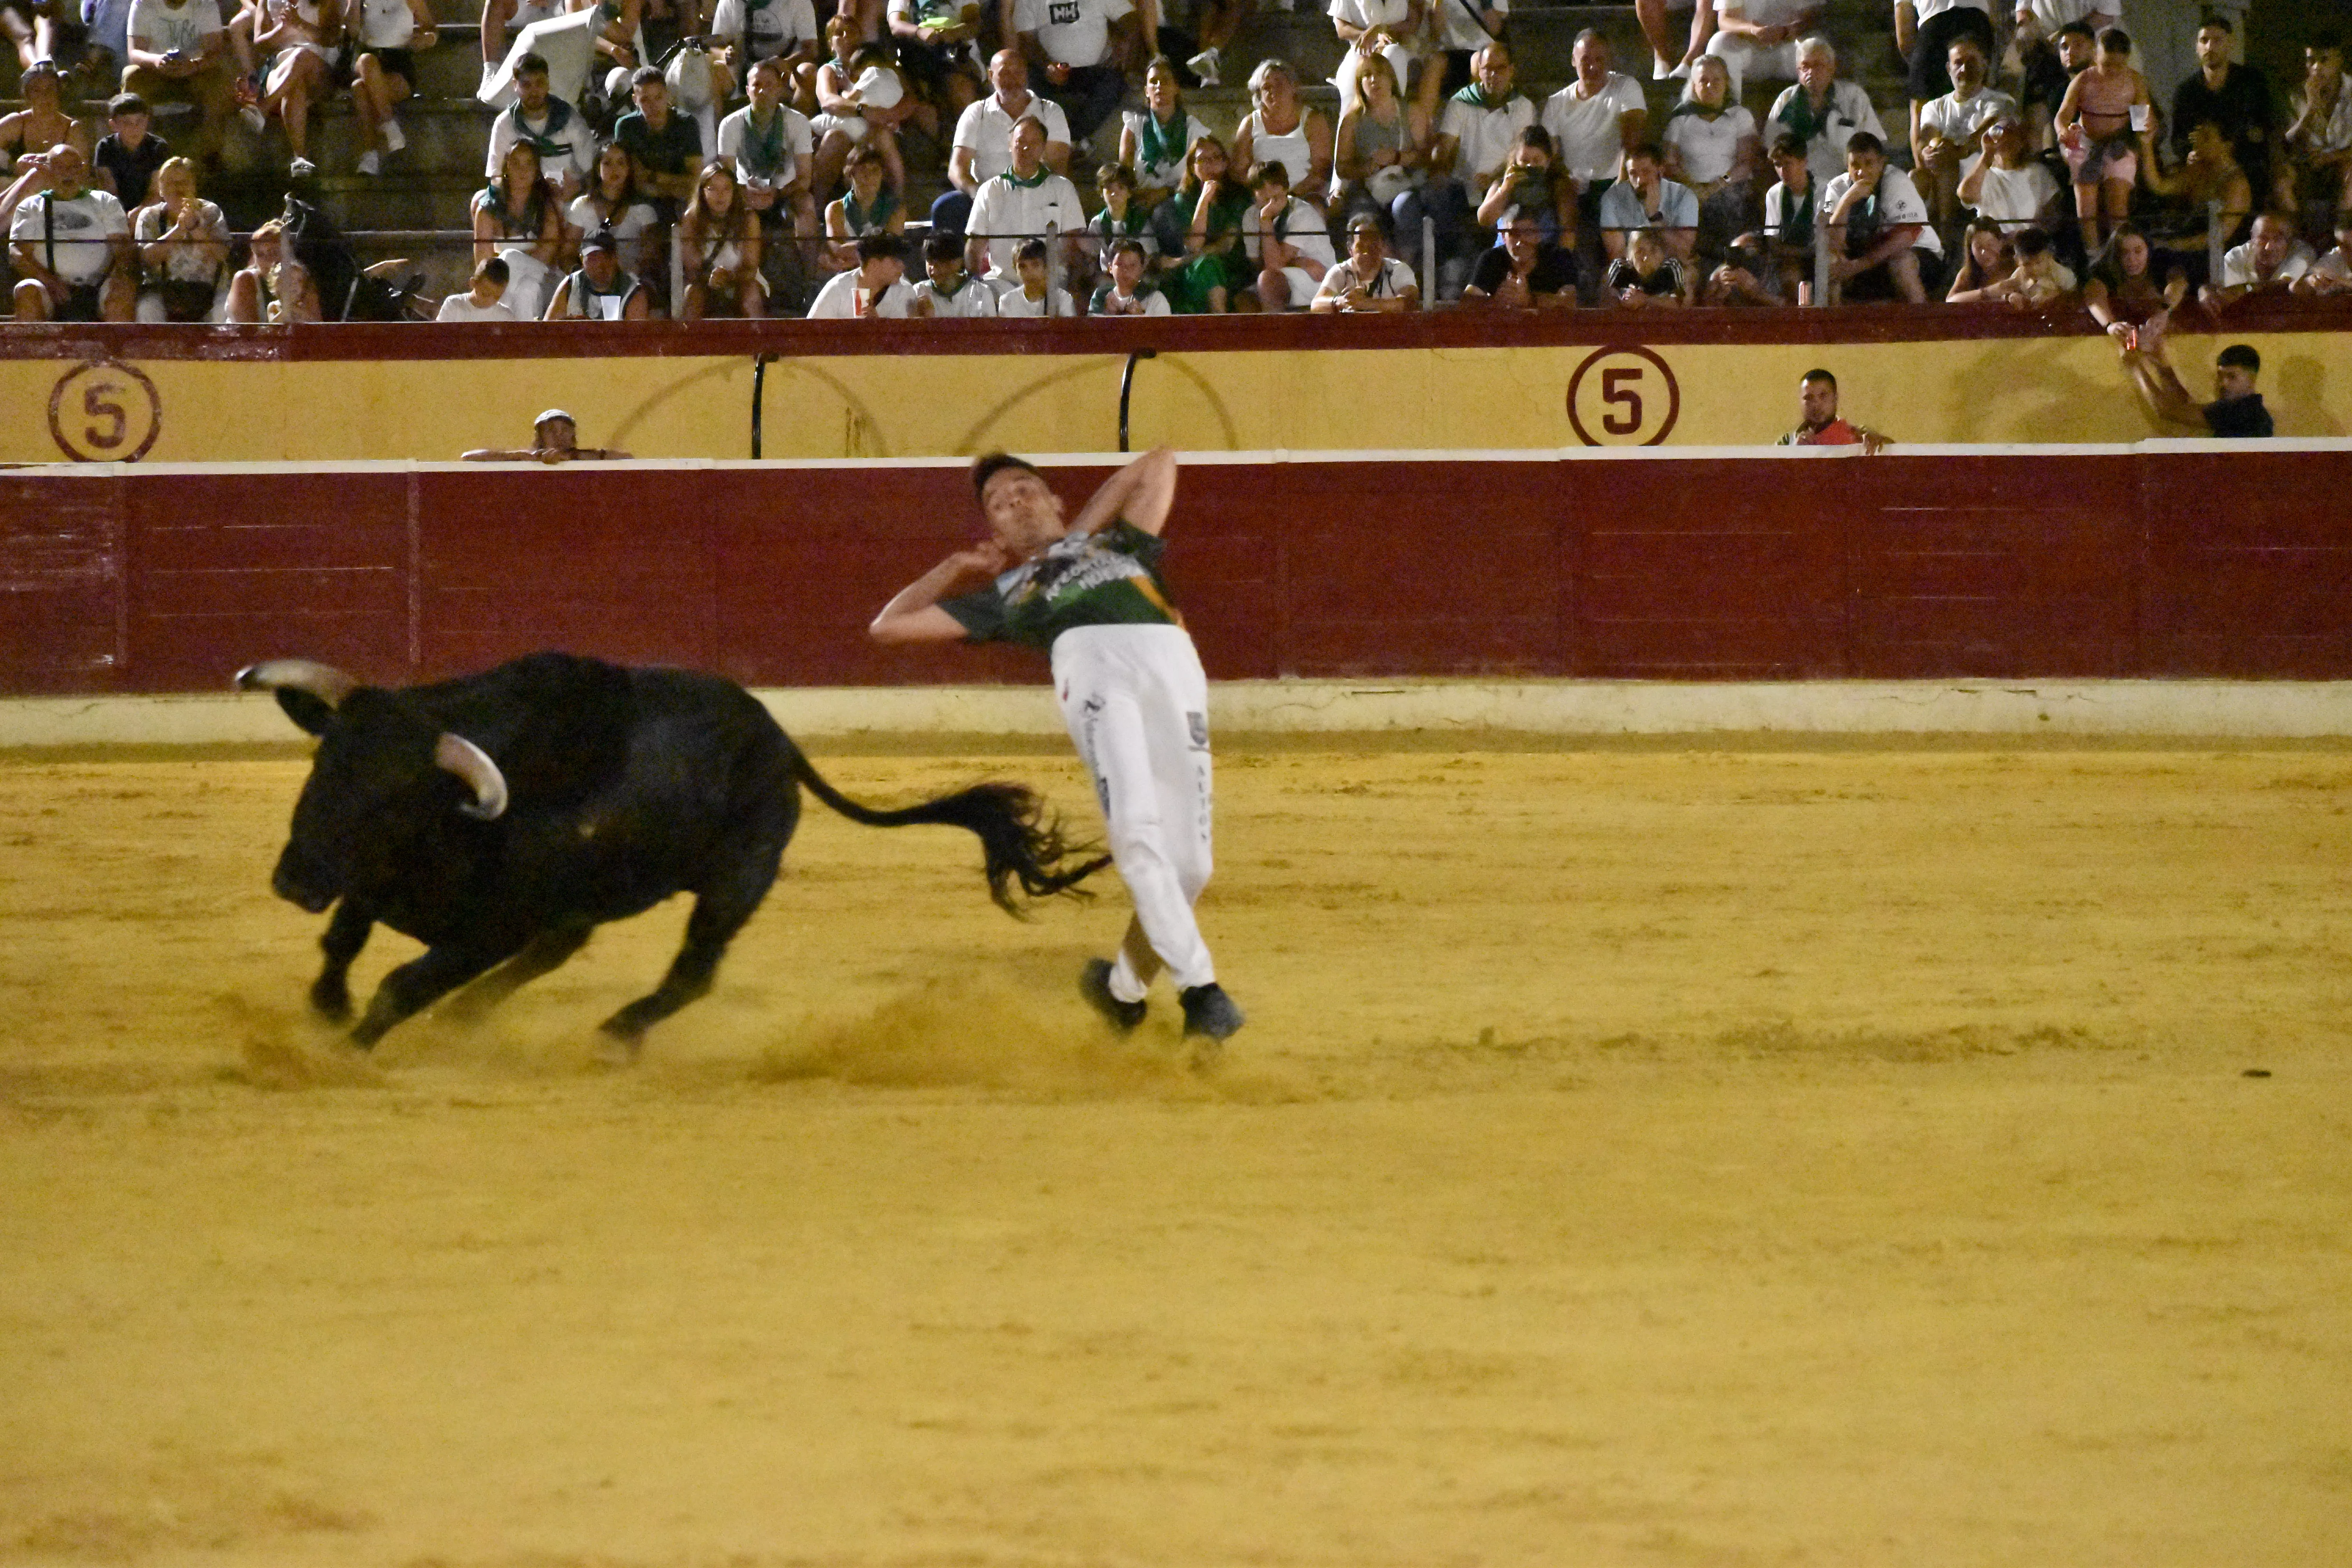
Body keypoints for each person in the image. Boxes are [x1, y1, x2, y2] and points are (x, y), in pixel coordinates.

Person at [867, 446, 1246, 1056]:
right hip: (1092, 669)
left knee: (1192, 867)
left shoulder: (1122, 545)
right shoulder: (1006, 593)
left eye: (1024, 490)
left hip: (1174, 667)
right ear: (995, 532)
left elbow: (1158, 463)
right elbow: (887, 626)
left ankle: (1122, 991)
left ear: (1056, 501)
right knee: (1137, 830)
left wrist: (1075, 537)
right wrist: (958, 565)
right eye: (999, 504)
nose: (1014, 502)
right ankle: (1202, 992)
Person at [1401, 42, 1526, 285]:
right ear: (1479, 71)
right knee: (1422, 199)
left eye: (1500, 69)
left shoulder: (1523, 107)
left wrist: (1495, 177)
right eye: (1487, 68)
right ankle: (1418, 277)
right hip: (1462, 189)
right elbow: (1446, 146)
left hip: (1502, 189)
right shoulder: (1461, 102)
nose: (1493, 75)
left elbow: (1521, 156)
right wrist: (1438, 165)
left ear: (1511, 70)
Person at [941, 47, 1071, 236]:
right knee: (946, 208)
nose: (1012, 80)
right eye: (1004, 74)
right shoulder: (976, 113)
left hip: (1037, 199)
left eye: (1018, 73)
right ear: (990, 75)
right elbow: (957, 169)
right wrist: (980, 196)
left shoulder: (1050, 112)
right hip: (987, 200)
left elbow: (1058, 167)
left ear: (1026, 75)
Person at [8, 142, 134, 320]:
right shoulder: (30, 207)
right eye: (59, 167)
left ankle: (119, 348)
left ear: (83, 170)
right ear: (47, 170)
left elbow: (123, 249)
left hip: (99, 286)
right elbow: (18, 253)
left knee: (123, 289)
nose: (67, 173)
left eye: (73, 167)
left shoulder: (105, 202)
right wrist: (50, 282)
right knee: (27, 291)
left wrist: (118, 276)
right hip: (49, 287)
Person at [2053, 25, 2149, 255]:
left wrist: (2143, 134)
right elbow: (2063, 116)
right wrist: (2062, 132)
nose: (2113, 72)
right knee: (2086, 201)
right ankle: (2093, 253)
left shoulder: (2135, 81)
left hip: (2119, 141)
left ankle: (2120, 253)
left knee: (2118, 200)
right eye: (2107, 65)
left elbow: (2142, 122)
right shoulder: (2083, 80)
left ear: (2127, 61)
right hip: (2087, 140)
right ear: (2096, 56)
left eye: (2119, 66)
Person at [964, 112, 1085, 286]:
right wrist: (973, 286)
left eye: (1034, 143)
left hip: (1050, 284)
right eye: (1020, 142)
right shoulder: (990, 190)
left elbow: (1072, 248)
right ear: (1010, 145)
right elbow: (975, 247)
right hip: (1002, 283)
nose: (1026, 148)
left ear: (1043, 148)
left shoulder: (1063, 189)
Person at [1821, 129, 1941, 302]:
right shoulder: (1837, 187)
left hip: (1919, 253)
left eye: (1869, 164)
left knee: (1901, 262)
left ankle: (1923, 323)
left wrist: (1859, 266)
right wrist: (1846, 201)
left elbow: (1908, 236)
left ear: (1882, 163)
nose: (1862, 172)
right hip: (1868, 256)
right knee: (1833, 263)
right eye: (1855, 165)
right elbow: (1834, 243)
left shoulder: (1895, 181)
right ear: (1847, 166)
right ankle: (1834, 326)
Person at [2169, 13, 2275, 204]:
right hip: (2203, 166)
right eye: (2204, 40)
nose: (2210, 47)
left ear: (2230, 43)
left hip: (2246, 164)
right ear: (2197, 46)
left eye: (2217, 40)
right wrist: (2189, 153)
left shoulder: (2252, 83)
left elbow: (2267, 128)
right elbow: (2178, 138)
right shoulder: (2187, 92)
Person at [1912, 35, 2014, 230]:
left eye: (1972, 62)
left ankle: (1945, 233)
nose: (1965, 70)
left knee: (1945, 159)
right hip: (1945, 177)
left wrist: (1955, 151)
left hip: (1984, 177)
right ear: (1948, 68)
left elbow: (1986, 133)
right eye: (1958, 63)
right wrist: (1927, 151)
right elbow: (1926, 139)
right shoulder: (1935, 107)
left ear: (1985, 64)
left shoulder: (2002, 101)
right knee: (1918, 176)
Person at [1662, 54, 1758, 260]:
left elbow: (1747, 162)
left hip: (1731, 189)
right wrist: (1696, 188)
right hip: (1691, 190)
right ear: (1694, 85)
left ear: (1726, 84)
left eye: (1717, 80)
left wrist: (1717, 186)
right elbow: (1670, 165)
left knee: (1729, 204)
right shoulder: (1681, 119)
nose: (1710, 86)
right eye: (1703, 81)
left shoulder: (1740, 116)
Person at [118, 0, 234, 163]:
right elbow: (135, 52)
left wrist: (194, 65)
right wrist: (157, 61)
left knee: (220, 81)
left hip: (194, 73)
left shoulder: (205, 4)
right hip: (155, 72)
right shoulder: (144, 4)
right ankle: (135, 149)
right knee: (131, 76)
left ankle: (211, 153)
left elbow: (215, 52)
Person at [1763, 35, 1884, 191]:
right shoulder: (1786, 100)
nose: (1811, 72)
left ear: (1832, 67)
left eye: (1818, 66)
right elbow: (1770, 150)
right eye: (1805, 67)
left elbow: (1875, 145)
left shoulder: (1854, 97)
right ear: (1798, 71)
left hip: (1846, 185)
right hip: (1801, 188)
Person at [1012, 0, 1135, 147]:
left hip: (1094, 70)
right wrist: (1047, 66)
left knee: (1116, 81)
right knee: (1030, 81)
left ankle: (1073, 139)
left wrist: (1124, 43)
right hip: (1050, 70)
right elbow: (1026, 40)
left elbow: (1131, 19)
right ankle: (1068, 142)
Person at [2119, 324, 2272, 438]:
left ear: (2252, 379)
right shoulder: (2249, 410)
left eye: (2232, 377)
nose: (2223, 383)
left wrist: (2136, 368)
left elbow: (2168, 411)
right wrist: (2162, 364)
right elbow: (2184, 407)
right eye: (2220, 376)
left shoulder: (2242, 411)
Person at [1330, 48, 1424, 227]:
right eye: (1367, 75)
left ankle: (1407, 254)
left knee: (1406, 206)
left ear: (1391, 79)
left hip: (1407, 184)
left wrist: (1395, 158)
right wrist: (1366, 168)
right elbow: (1342, 167)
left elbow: (1426, 156)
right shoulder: (1353, 119)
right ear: (1360, 83)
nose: (1374, 80)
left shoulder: (1411, 111)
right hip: (1367, 189)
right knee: (1363, 222)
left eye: (1380, 74)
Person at [486, 52, 597, 201]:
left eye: (540, 83)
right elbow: (496, 177)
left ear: (548, 83)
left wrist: (578, 187)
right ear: (515, 85)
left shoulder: (570, 119)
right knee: (479, 203)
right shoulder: (505, 124)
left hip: (568, 200)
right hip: (524, 201)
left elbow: (593, 172)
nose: (534, 91)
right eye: (526, 85)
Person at [1232, 56, 1335, 216]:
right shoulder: (1250, 124)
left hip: (1306, 194)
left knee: (1313, 211)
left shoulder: (1313, 121)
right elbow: (1240, 171)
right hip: (1263, 198)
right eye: (1267, 88)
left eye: (1280, 84)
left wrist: (1291, 196)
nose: (1273, 91)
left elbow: (1321, 170)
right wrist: (1266, 193)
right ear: (1259, 94)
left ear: (1293, 87)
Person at [473, 138, 563, 320]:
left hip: (544, 280)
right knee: (526, 291)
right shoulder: (487, 209)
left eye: (529, 164)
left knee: (509, 258)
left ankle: (495, 319)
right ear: (506, 167)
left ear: (537, 170)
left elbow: (547, 254)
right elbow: (484, 264)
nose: (523, 170)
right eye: (516, 163)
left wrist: (511, 260)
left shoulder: (546, 205)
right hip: (512, 288)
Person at [131, 152, 226, 319]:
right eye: (171, 183)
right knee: (147, 308)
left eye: (184, 182)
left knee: (223, 311)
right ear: (160, 189)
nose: (178, 188)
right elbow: (146, 258)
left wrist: (196, 228)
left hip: (209, 290)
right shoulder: (150, 216)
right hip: (164, 292)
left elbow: (222, 254)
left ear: (194, 187)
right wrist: (179, 230)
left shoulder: (211, 212)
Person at [345, 0, 434, 176]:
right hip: (367, 59)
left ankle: (370, 154)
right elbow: (352, 32)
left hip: (398, 63)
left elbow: (430, 28)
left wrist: (428, 38)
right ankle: (390, 126)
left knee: (359, 89)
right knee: (366, 62)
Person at [251, 0, 339, 178]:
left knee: (301, 56)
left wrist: (300, 24)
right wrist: (283, 29)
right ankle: (300, 158)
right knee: (295, 82)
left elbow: (332, 38)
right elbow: (260, 44)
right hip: (282, 68)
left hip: (318, 67)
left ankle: (263, 108)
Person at [613, 64, 704, 219]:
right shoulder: (626, 127)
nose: (653, 106)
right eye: (645, 100)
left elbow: (696, 180)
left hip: (681, 200)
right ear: (635, 100)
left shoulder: (687, 124)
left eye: (659, 97)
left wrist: (654, 177)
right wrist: (674, 185)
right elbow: (635, 180)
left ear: (667, 95)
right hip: (641, 202)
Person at [1242, 157, 1333, 311]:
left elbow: (1274, 265)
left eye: (1275, 192)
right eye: (1263, 195)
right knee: (1244, 299)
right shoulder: (1250, 215)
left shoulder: (1302, 213)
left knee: (1268, 281)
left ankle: (1276, 334)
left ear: (1285, 188)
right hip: (1292, 269)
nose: (1270, 200)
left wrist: (1265, 220)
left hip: (1317, 276)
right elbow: (1258, 261)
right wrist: (1297, 261)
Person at [1121, 54, 1210, 209]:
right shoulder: (1134, 124)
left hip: (1178, 202)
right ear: (1146, 91)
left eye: (1165, 81)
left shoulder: (1193, 130)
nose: (1159, 86)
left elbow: (1198, 181)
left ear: (1176, 88)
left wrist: (1165, 193)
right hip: (1140, 199)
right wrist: (1139, 196)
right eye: (1153, 82)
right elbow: (1124, 173)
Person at [678, 161, 766, 317]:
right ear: (703, 192)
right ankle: (687, 341)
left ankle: (759, 340)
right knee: (693, 295)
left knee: (750, 294)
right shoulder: (692, 219)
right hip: (705, 283)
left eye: (727, 188)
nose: (721, 195)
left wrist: (729, 278)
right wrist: (711, 279)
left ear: (734, 192)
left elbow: (751, 268)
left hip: (743, 281)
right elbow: (692, 269)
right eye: (712, 189)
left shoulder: (748, 219)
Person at [2281, 34, 2352, 222]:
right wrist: (2310, 111)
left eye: (2324, 60)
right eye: (2311, 61)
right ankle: (2296, 238)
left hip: (2344, 160)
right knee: (2282, 178)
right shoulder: (2297, 95)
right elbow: (2287, 142)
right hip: (2308, 164)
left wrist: (2331, 157)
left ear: (2339, 61)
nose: (2317, 67)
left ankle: (2343, 237)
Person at [1956, 113, 2060, 235]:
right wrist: (1987, 153)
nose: (2006, 140)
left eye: (2013, 135)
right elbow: (1966, 195)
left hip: (2025, 243)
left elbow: (2052, 215)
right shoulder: (1984, 173)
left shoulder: (2038, 172)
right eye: (2001, 134)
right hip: (1993, 243)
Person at [1475, 124, 1574, 248]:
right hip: (1506, 252)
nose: (1530, 166)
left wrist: (1559, 262)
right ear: (1516, 160)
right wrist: (1506, 190)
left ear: (1548, 161)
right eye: (1525, 161)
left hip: (1544, 254)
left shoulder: (1559, 186)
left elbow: (1568, 231)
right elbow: (1484, 220)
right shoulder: (1503, 184)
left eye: (1537, 161)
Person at [2083, 220, 2187, 338]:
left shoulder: (2162, 261)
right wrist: (2110, 325)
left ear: (2148, 250)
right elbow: (2094, 294)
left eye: (2138, 251)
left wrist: (2163, 312)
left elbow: (2178, 283)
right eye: (2124, 253)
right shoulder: (2105, 269)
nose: (2132, 259)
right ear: (2116, 255)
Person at [1597, 142, 1697, 262]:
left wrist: (1654, 218)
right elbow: (1616, 255)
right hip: (1631, 265)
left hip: (1669, 266)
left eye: (1646, 172)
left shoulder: (1684, 197)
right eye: (1633, 174)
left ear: (1660, 170)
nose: (1640, 181)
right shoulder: (1612, 199)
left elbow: (1683, 252)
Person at [1701, 0, 1820, 101]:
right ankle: (1727, 115)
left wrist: (1787, 31)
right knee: (1718, 43)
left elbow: (1814, 15)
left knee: (1819, 46)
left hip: (1791, 49)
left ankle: (1820, 117)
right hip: (1749, 50)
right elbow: (1726, 19)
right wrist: (1753, 30)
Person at [1894, 0, 1994, 116]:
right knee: (1981, 105)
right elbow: (1994, 10)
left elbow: (1904, 35)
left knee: (1923, 109)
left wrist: (1918, 72)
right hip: (1977, 22)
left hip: (1933, 27)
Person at [1462, 207, 1577, 306]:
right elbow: (1468, 301)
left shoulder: (1558, 256)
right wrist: (1496, 301)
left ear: (1539, 235)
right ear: (1503, 237)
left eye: (1528, 233)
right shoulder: (1492, 258)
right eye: (1514, 234)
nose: (1520, 243)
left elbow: (1569, 301)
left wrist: (1529, 299)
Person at [2203, 209, 2314, 310]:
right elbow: (2217, 290)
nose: (2269, 247)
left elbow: (2282, 286)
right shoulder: (2236, 256)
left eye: (2278, 239)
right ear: (2252, 238)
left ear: (2289, 241)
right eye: (2263, 238)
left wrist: (2245, 289)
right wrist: (2206, 293)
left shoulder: (2302, 253)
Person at [1309, 208, 1416, 310]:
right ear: (1350, 250)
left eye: (1373, 246)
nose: (1367, 252)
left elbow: (1409, 302)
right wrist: (1342, 302)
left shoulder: (1398, 270)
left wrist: (1365, 304)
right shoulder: (1340, 271)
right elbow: (1316, 304)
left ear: (1382, 245)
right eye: (1361, 247)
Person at [822, 141, 902, 270]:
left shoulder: (896, 209)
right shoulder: (835, 209)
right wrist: (874, 247)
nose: (869, 177)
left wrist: (854, 254)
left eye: (875, 171)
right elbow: (838, 250)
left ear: (883, 174)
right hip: (847, 275)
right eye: (863, 170)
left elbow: (890, 251)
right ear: (851, 174)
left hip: (885, 275)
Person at [223, 214, 318, 319]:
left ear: (288, 253)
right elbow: (248, 331)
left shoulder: (301, 278)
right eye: (260, 254)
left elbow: (318, 325)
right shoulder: (245, 279)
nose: (266, 259)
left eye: (273, 252)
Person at [1759, 129, 1815, 301]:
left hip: (1822, 257)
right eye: (1778, 165)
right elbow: (1773, 241)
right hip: (1791, 259)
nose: (1782, 172)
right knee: (1790, 274)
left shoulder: (1825, 190)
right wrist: (1803, 253)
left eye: (1788, 164)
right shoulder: (1774, 194)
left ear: (1804, 162)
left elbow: (1829, 241)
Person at [545, 227, 652, 318]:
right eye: (593, 259)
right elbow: (548, 330)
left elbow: (637, 338)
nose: (600, 264)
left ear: (615, 259)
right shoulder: (570, 286)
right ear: (582, 260)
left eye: (605, 257)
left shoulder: (633, 292)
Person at [806, 228, 916, 314]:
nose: (902, 267)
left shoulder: (905, 291)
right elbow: (812, 333)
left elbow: (907, 341)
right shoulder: (838, 288)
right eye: (895, 261)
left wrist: (879, 327)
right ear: (874, 264)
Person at [1778, 367, 1889, 452]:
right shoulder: (1787, 442)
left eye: (1823, 396)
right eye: (1809, 398)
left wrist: (1878, 442)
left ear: (1835, 399)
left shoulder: (1859, 435)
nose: (1817, 404)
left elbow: (1896, 455)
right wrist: (1793, 453)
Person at [463, 407, 633, 460]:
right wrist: (522, 457)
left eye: (565, 430)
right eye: (551, 431)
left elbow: (627, 459)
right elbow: (468, 457)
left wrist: (574, 458)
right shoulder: (527, 459)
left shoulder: (584, 458)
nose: (559, 436)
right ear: (540, 437)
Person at [92, 92, 168, 206]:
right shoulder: (105, 148)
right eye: (127, 123)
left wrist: (139, 212)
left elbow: (156, 193)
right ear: (114, 125)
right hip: (114, 208)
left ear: (147, 120)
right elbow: (109, 191)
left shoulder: (158, 147)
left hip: (151, 209)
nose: (135, 128)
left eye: (140, 121)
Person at [912, 228, 998, 314]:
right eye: (930, 262)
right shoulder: (918, 292)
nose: (933, 269)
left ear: (959, 262)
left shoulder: (980, 292)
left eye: (941, 262)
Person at [1605, 223, 1688, 307]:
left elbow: (1677, 304)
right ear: (1629, 255)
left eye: (1653, 251)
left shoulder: (1671, 269)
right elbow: (1608, 301)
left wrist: (1645, 300)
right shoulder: (1620, 268)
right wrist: (1625, 299)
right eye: (1640, 252)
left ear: (1663, 255)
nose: (1646, 258)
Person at [994, 234, 1076, 315]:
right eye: (1022, 267)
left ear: (1046, 267)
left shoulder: (1063, 299)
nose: (1029, 272)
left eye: (1035, 265)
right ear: (1016, 269)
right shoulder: (1007, 302)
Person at [1090, 234, 1169, 314]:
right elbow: (1090, 325)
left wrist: (1141, 320)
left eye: (1133, 265)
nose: (1126, 270)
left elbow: (1165, 326)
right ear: (1110, 267)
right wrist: (1107, 315)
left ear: (1142, 268)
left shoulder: (1155, 299)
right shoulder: (1100, 297)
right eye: (1120, 264)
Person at [1941, 215, 2012, 301]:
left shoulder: (2013, 267)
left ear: (2001, 243)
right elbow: (1951, 301)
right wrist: (1989, 292)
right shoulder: (1968, 272)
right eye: (1979, 247)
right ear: (1971, 249)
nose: (1984, 252)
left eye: (1990, 245)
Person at [436, 253, 519, 320]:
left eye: (497, 297)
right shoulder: (454, 305)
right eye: (486, 294)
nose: (490, 301)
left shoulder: (506, 316)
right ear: (473, 283)